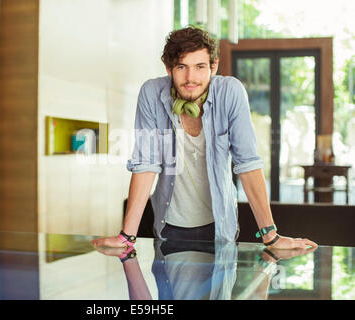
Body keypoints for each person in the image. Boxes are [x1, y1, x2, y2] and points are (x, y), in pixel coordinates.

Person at [91, 26, 317, 250]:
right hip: (168, 227)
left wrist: (271, 236)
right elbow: (146, 165)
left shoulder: (230, 93)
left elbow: (247, 164)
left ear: (213, 66)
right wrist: (127, 236)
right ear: (168, 68)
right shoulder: (151, 94)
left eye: (200, 67)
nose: (191, 78)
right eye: (182, 67)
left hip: (220, 228)